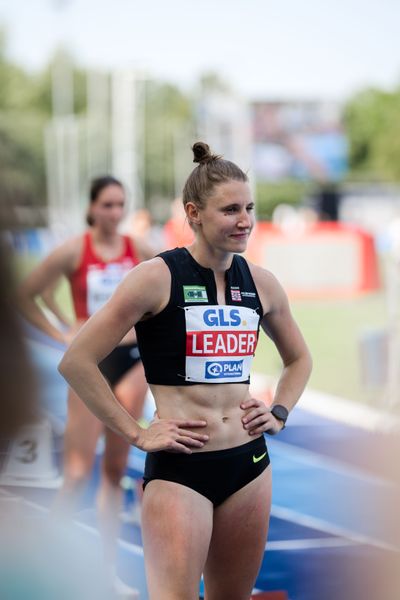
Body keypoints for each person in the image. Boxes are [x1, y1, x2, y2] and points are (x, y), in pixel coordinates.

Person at [59, 144, 313, 600]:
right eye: (231, 209)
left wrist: (279, 410)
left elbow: (299, 358)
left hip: (249, 466)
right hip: (181, 470)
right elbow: (76, 360)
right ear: (194, 213)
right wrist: (135, 433)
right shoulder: (155, 277)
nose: (245, 221)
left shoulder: (262, 282)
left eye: (249, 208)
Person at [18, 175, 153, 598]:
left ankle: (108, 575)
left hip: (132, 361)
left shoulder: (140, 251)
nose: (115, 213)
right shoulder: (76, 249)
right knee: (76, 475)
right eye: (107, 205)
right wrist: (61, 332)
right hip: (90, 361)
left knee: (114, 473)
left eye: (120, 205)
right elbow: (25, 295)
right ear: (92, 208)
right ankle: (40, 574)